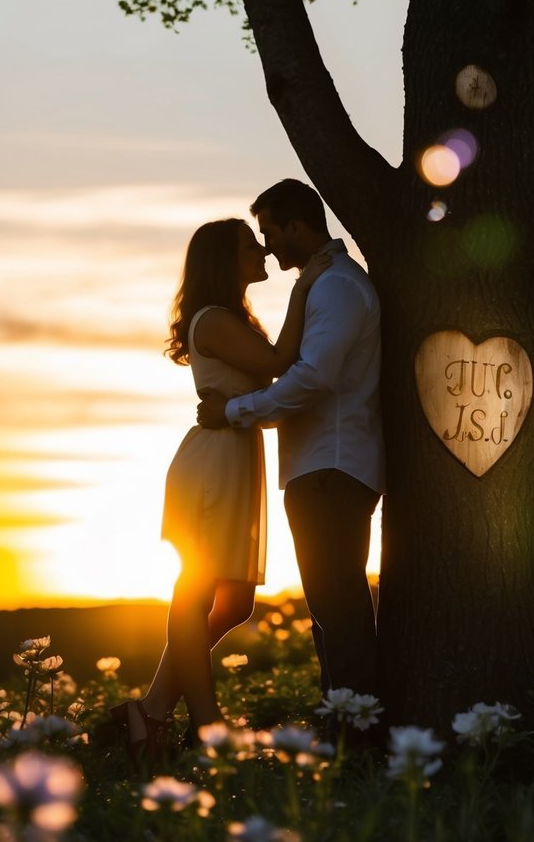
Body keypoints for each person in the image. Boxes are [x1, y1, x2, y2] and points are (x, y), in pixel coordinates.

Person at [108, 216, 330, 764]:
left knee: (234, 603)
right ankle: (207, 724)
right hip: (210, 464)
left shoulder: (233, 319)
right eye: (248, 245)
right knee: (197, 588)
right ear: (223, 261)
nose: (261, 249)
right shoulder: (211, 321)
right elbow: (281, 364)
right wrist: (306, 284)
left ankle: (153, 708)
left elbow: (274, 382)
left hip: (235, 458)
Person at [197, 179, 384, 704]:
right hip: (323, 466)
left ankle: (356, 729)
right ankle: (342, 720)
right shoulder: (325, 286)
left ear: (298, 227)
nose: (267, 245)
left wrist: (234, 412)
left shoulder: (336, 288)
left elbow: (312, 379)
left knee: (338, 607)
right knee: (330, 608)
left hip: (331, 467)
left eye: (271, 232)